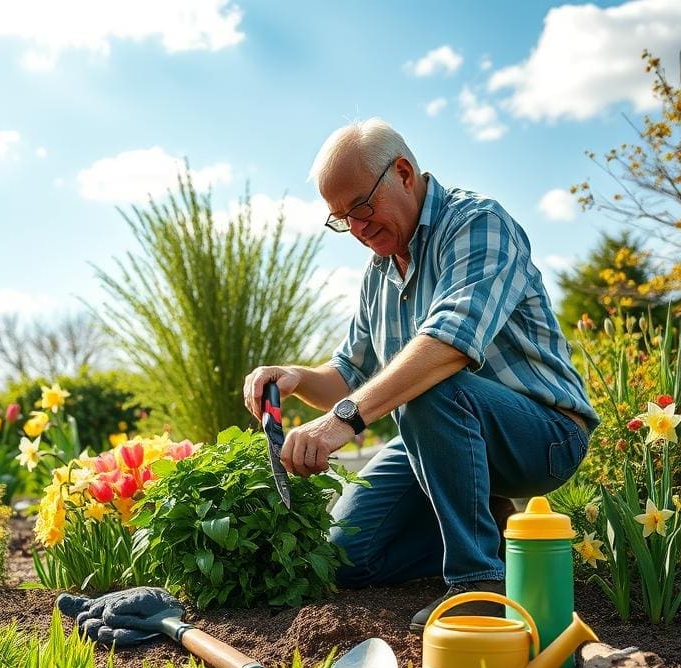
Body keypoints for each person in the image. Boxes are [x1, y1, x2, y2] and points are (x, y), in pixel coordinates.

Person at [242, 118, 598, 634]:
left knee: (432, 385)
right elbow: (347, 377)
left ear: (403, 173)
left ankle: (478, 586)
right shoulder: (379, 273)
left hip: (543, 436)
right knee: (347, 556)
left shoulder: (478, 224)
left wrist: (343, 422)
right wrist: (296, 377)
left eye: (361, 208)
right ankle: (489, 533)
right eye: (341, 219)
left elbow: (448, 347)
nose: (357, 229)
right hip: (439, 436)